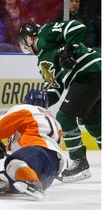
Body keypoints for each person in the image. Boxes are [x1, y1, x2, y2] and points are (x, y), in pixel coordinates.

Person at [18, 20, 101, 183]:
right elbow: (55, 89)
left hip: (89, 73)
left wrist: (68, 48)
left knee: (65, 117)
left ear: (29, 37)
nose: (26, 46)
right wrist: (41, 100)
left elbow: (77, 27)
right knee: (93, 122)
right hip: (90, 77)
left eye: (24, 41)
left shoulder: (45, 33)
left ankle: (79, 163)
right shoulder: (42, 62)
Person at [0, 89, 65, 200]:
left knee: (13, 163)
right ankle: (3, 180)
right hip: (54, 166)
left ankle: (33, 182)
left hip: (36, 152)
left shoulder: (25, 108)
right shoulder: (55, 121)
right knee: (6, 175)